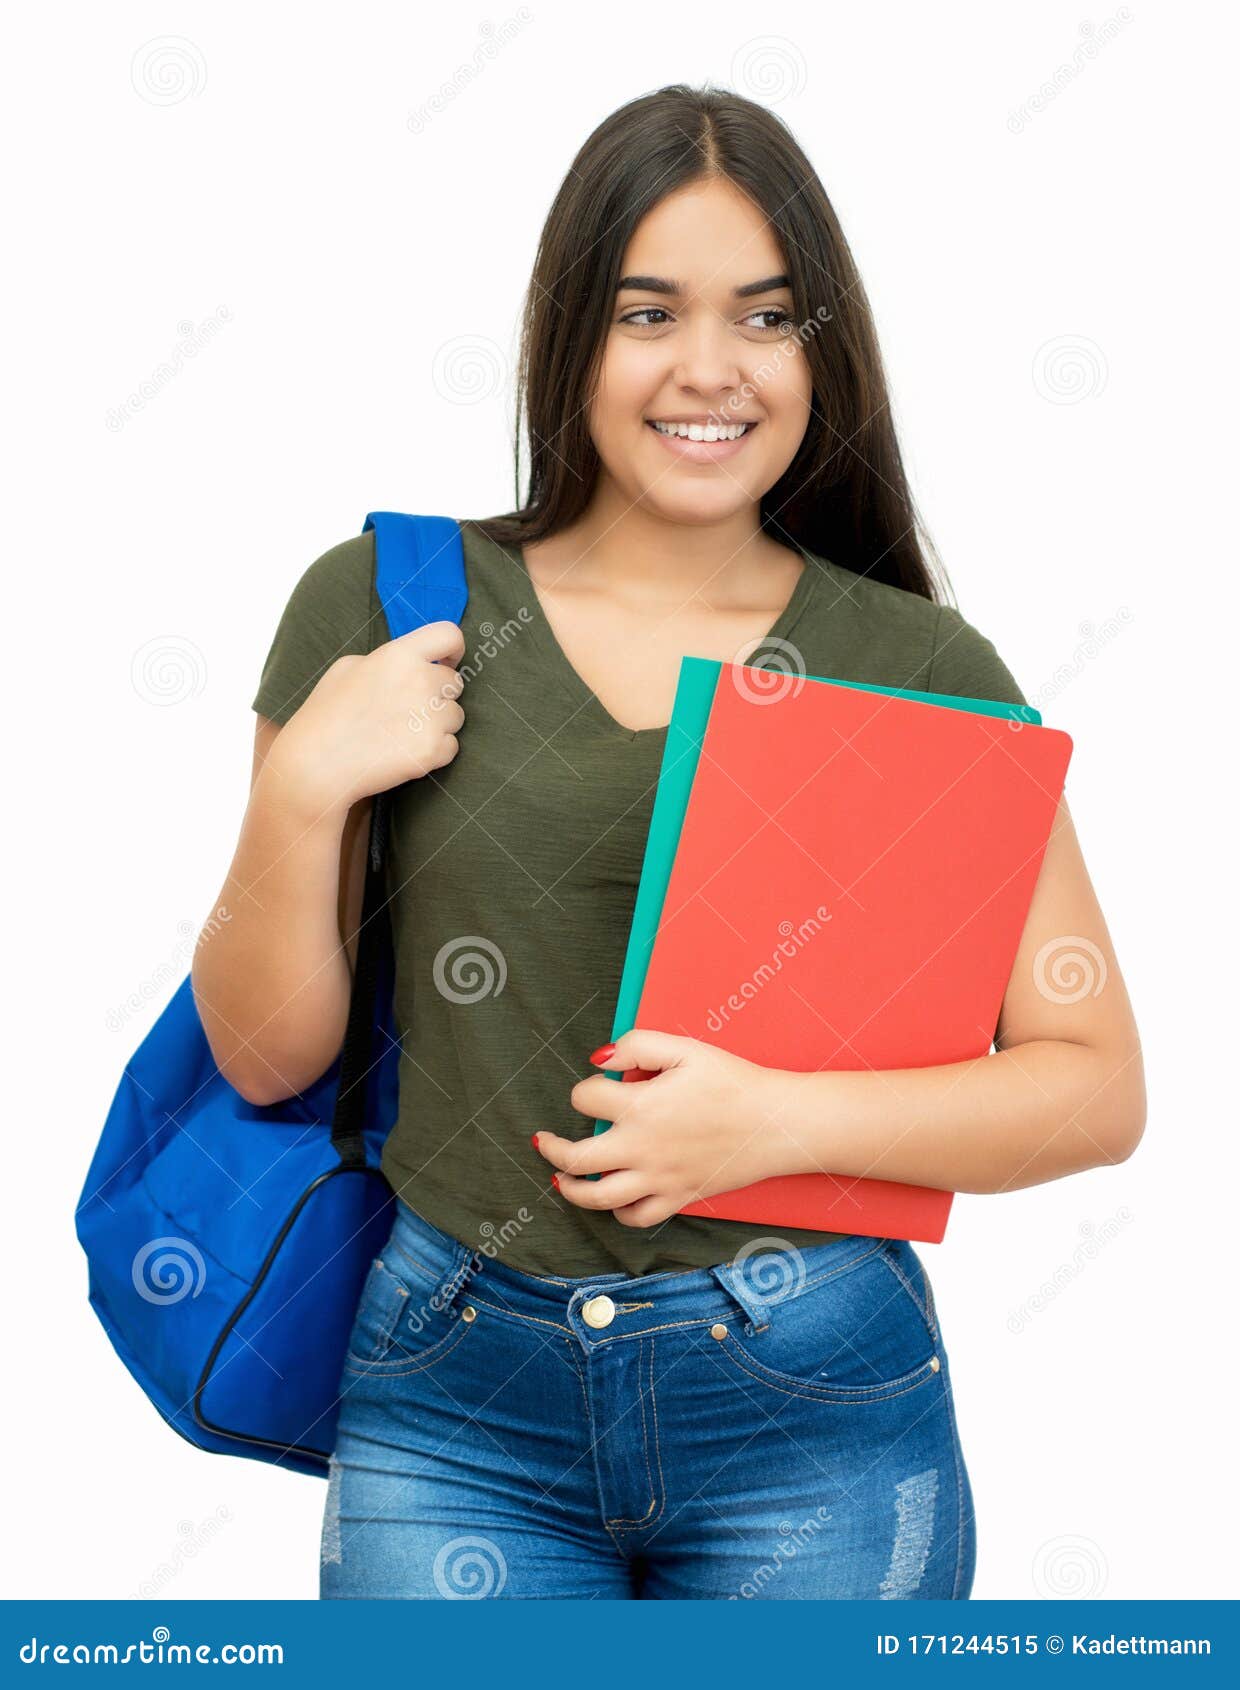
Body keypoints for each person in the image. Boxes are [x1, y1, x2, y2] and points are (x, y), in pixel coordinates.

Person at [192, 84, 1145, 1600]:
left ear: (821, 351)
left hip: (813, 1398)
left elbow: (1092, 1085)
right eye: (650, 312)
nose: (710, 369)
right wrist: (301, 789)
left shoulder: (917, 662)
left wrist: (773, 1124)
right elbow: (266, 1056)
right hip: (455, 1398)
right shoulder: (384, 606)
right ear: (570, 334)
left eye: (765, 319)